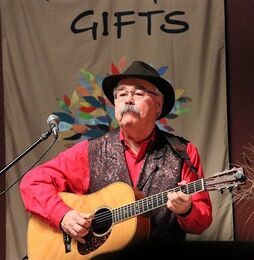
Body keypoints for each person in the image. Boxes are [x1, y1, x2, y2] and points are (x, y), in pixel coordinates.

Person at [20, 60, 212, 258]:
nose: (128, 100)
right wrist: (63, 215)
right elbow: (32, 182)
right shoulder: (90, 151)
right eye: (121, 94)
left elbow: (202, 220)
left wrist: (187, 210)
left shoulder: (183, 152)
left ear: (158, 104)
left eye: (138, 93)